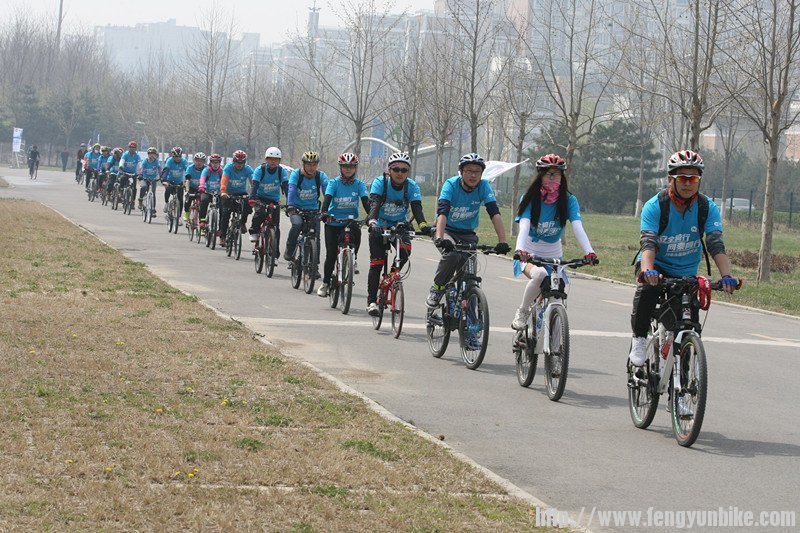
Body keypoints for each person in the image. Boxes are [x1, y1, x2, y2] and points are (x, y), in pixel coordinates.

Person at [629, 150, 738, 369]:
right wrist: (647, 270)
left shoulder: (707, 208)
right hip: (656, 265)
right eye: (682, 178)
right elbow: (649, 243)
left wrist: (726, 276)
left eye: (693, 178)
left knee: (689, 325)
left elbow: (715, 244)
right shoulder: (655, 205)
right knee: (648, 291)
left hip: (686, 270)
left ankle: (682, 386)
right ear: (671, 179)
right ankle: (639, 339)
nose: (688, 183)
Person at [510, 154, 598, 330]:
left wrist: (589, 252)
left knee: (558, 294)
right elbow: (524, 226)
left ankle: (556, 339)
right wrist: (520, 250)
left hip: (553, 252)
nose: (552, 178)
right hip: (529, 251)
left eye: (556, 174)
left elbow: (578, 227)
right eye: (548, 174)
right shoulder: (529, 198)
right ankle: (523, 310)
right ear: (540, 176)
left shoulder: (569, 200)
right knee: (541, 275)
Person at [426, 152, 510, 309]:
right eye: (469, 171)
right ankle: (436, 289)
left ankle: (469, 310)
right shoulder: (451, 185)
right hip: (447, 231)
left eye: (477, 171)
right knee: (452, 255)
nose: (473, 175)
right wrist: (439, 237)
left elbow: (494, 212)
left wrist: (503, 241)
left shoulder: (484, 186)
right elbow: (442, 212)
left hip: (468, 235)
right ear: (461, 172)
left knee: (470, 277)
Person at [365, 151, 434, 316]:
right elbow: (374, 205)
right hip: (379, 225)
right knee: (376, 264)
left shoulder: (412, 186)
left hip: (399, 226)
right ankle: (372, 301)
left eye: (404, 170)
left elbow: (417, 209)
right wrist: (373, 222)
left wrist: (424, 227)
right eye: (396, 169)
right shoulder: (380, 183)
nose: (400, 173)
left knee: (405, 251)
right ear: (389, 170)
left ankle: (391, 276)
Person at [317, 152, 370, 298]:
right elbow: (327, 199)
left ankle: (354, 259)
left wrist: (371, 217)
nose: (348, 169)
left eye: (351, 167)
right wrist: (324, 212)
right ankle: (326, 283)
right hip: (333, 222)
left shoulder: (359, 185)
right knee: (331, 254)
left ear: (355, 168)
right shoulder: (334, 183)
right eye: (345, 166)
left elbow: (366, 202)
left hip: (350, 221)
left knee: (357, 233)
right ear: (341, 167)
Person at [284, 151, 329, 269]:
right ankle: (289, 250)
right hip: (296, 208)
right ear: (303, 164)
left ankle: (315, 267)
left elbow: (327, 193)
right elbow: (292, 190)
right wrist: (290, 205)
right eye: (309, 164)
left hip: (313, 210)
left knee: (316, 237)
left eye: (314, 164)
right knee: (297, 225)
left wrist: (328, 209)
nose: (311, 167)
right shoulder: (296, 174)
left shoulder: (321, 176)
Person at [248, 147, 288, 253]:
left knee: (275, 226)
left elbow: (286, 187)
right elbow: (255, 185)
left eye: (276, 159)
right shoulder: (260, 170)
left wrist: (291, 202)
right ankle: (254, 232)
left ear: (279, 161)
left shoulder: (281, 171)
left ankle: (275, 253)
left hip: (274, 200)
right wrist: (252, 198)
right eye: (271, 159)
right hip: (260, 197)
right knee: (260, 213)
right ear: (266, 159)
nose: (273, 161)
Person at [219, 150, 254, 247]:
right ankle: (223, 237)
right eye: (237, 162)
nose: (239, 164)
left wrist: (255, 194)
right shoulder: (228, 168)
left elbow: (253, 182)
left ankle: (243, 223)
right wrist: (223, 191)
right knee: (225, 213)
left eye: (242, 162)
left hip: (241, 192)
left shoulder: (248, 169)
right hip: (228, 192)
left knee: (247, 205)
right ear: (233, 161)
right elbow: (224, 179)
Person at [199, 153, 223, 236]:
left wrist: (224, 190)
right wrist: (202, 186)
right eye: (213, 162)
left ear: (220, 163)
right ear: (210, 163)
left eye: (217, 162)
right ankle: (202, 221)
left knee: (223, 208)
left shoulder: (221, 171)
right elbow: (202, 178)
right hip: (207, 191)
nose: (215, 164)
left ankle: (220, 228)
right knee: (204, 201)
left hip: (218, 192)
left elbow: (224, 181)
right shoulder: (207, 170)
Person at [161, 147, 189, 215]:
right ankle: (166, 202)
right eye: (176, 156)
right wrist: (164, 180)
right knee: (168, 190)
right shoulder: (169, 161)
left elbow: (188, 172)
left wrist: (187, 181)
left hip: (179, 182)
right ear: (173, 156)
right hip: (170, 181)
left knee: (180, 199)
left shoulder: (184, 161)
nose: (178, 158)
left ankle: (179, 217)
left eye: (179, 156)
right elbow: (166, 170)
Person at [183, 152, 206, 223]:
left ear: (204, 162)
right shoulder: (190, 168)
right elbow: (187, 180)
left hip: (202, 189)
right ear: (194, 161)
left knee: (204, 203)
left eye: (201, 161)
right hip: (191, 187)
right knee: (188, 199)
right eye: (197, 160)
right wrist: (187, 190)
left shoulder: (206, 169)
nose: (199, 163)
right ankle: (186, 213)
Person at [139, 147, 161, 216]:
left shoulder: (156, 161)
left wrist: (161, 176)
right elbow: (142, 168)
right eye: (150, 154)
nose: (151, 155)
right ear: (148, 154)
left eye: (153, 154)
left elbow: (159, 169)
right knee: (144, 187)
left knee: (153, 193)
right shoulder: (145, 161)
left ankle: (153, 209)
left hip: (153, 179)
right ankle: (141, 199)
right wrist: (141, 175)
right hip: (145, 178)